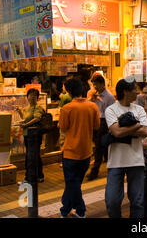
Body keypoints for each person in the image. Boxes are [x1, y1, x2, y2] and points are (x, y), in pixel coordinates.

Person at [104, 78, 147, 218]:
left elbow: (145, 131)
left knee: (137, 202)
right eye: (134, 89)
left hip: (136, 162)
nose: (137, 92)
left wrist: (122, 128)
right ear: (125, 91)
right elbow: (116, 132)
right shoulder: (111, 109)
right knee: (112, 201)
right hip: (115, 162)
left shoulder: (139, 109)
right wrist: (136, 125)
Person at [58, 78, 100, 218]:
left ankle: (80, 211)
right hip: (86, 152)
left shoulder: (67, 108)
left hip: (70, 152)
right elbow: (96, 126)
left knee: (72, 183)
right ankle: (65, 209)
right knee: (74, 183)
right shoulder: (92, 106)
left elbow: (63, 128)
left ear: (69, 92)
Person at [86, 75, 115, 180]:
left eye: (96, 84)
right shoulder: (94, 95)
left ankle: (94, 171)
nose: (95, 87)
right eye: (93, 85)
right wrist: (91, 99)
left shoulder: (109, 97)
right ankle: (111, 167)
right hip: (95, 122)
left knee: (99, 147)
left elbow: (111, 112)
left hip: (104, 122)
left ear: (102, 84)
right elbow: (88, 106)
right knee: (102, 146)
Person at [15, 88, 45, 184]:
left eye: (34, 96)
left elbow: (37, 118)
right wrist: (20, 112)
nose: (32, 97)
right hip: (28, 135)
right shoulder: (27, 108)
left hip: (35, 136)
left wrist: (26, 125)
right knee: (34, 156)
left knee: (31, 157)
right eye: (30, 95)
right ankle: (39, 176)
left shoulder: (38, 107)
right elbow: (25, 119)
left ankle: (30, 178)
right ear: (27, 97)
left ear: (37, 98)